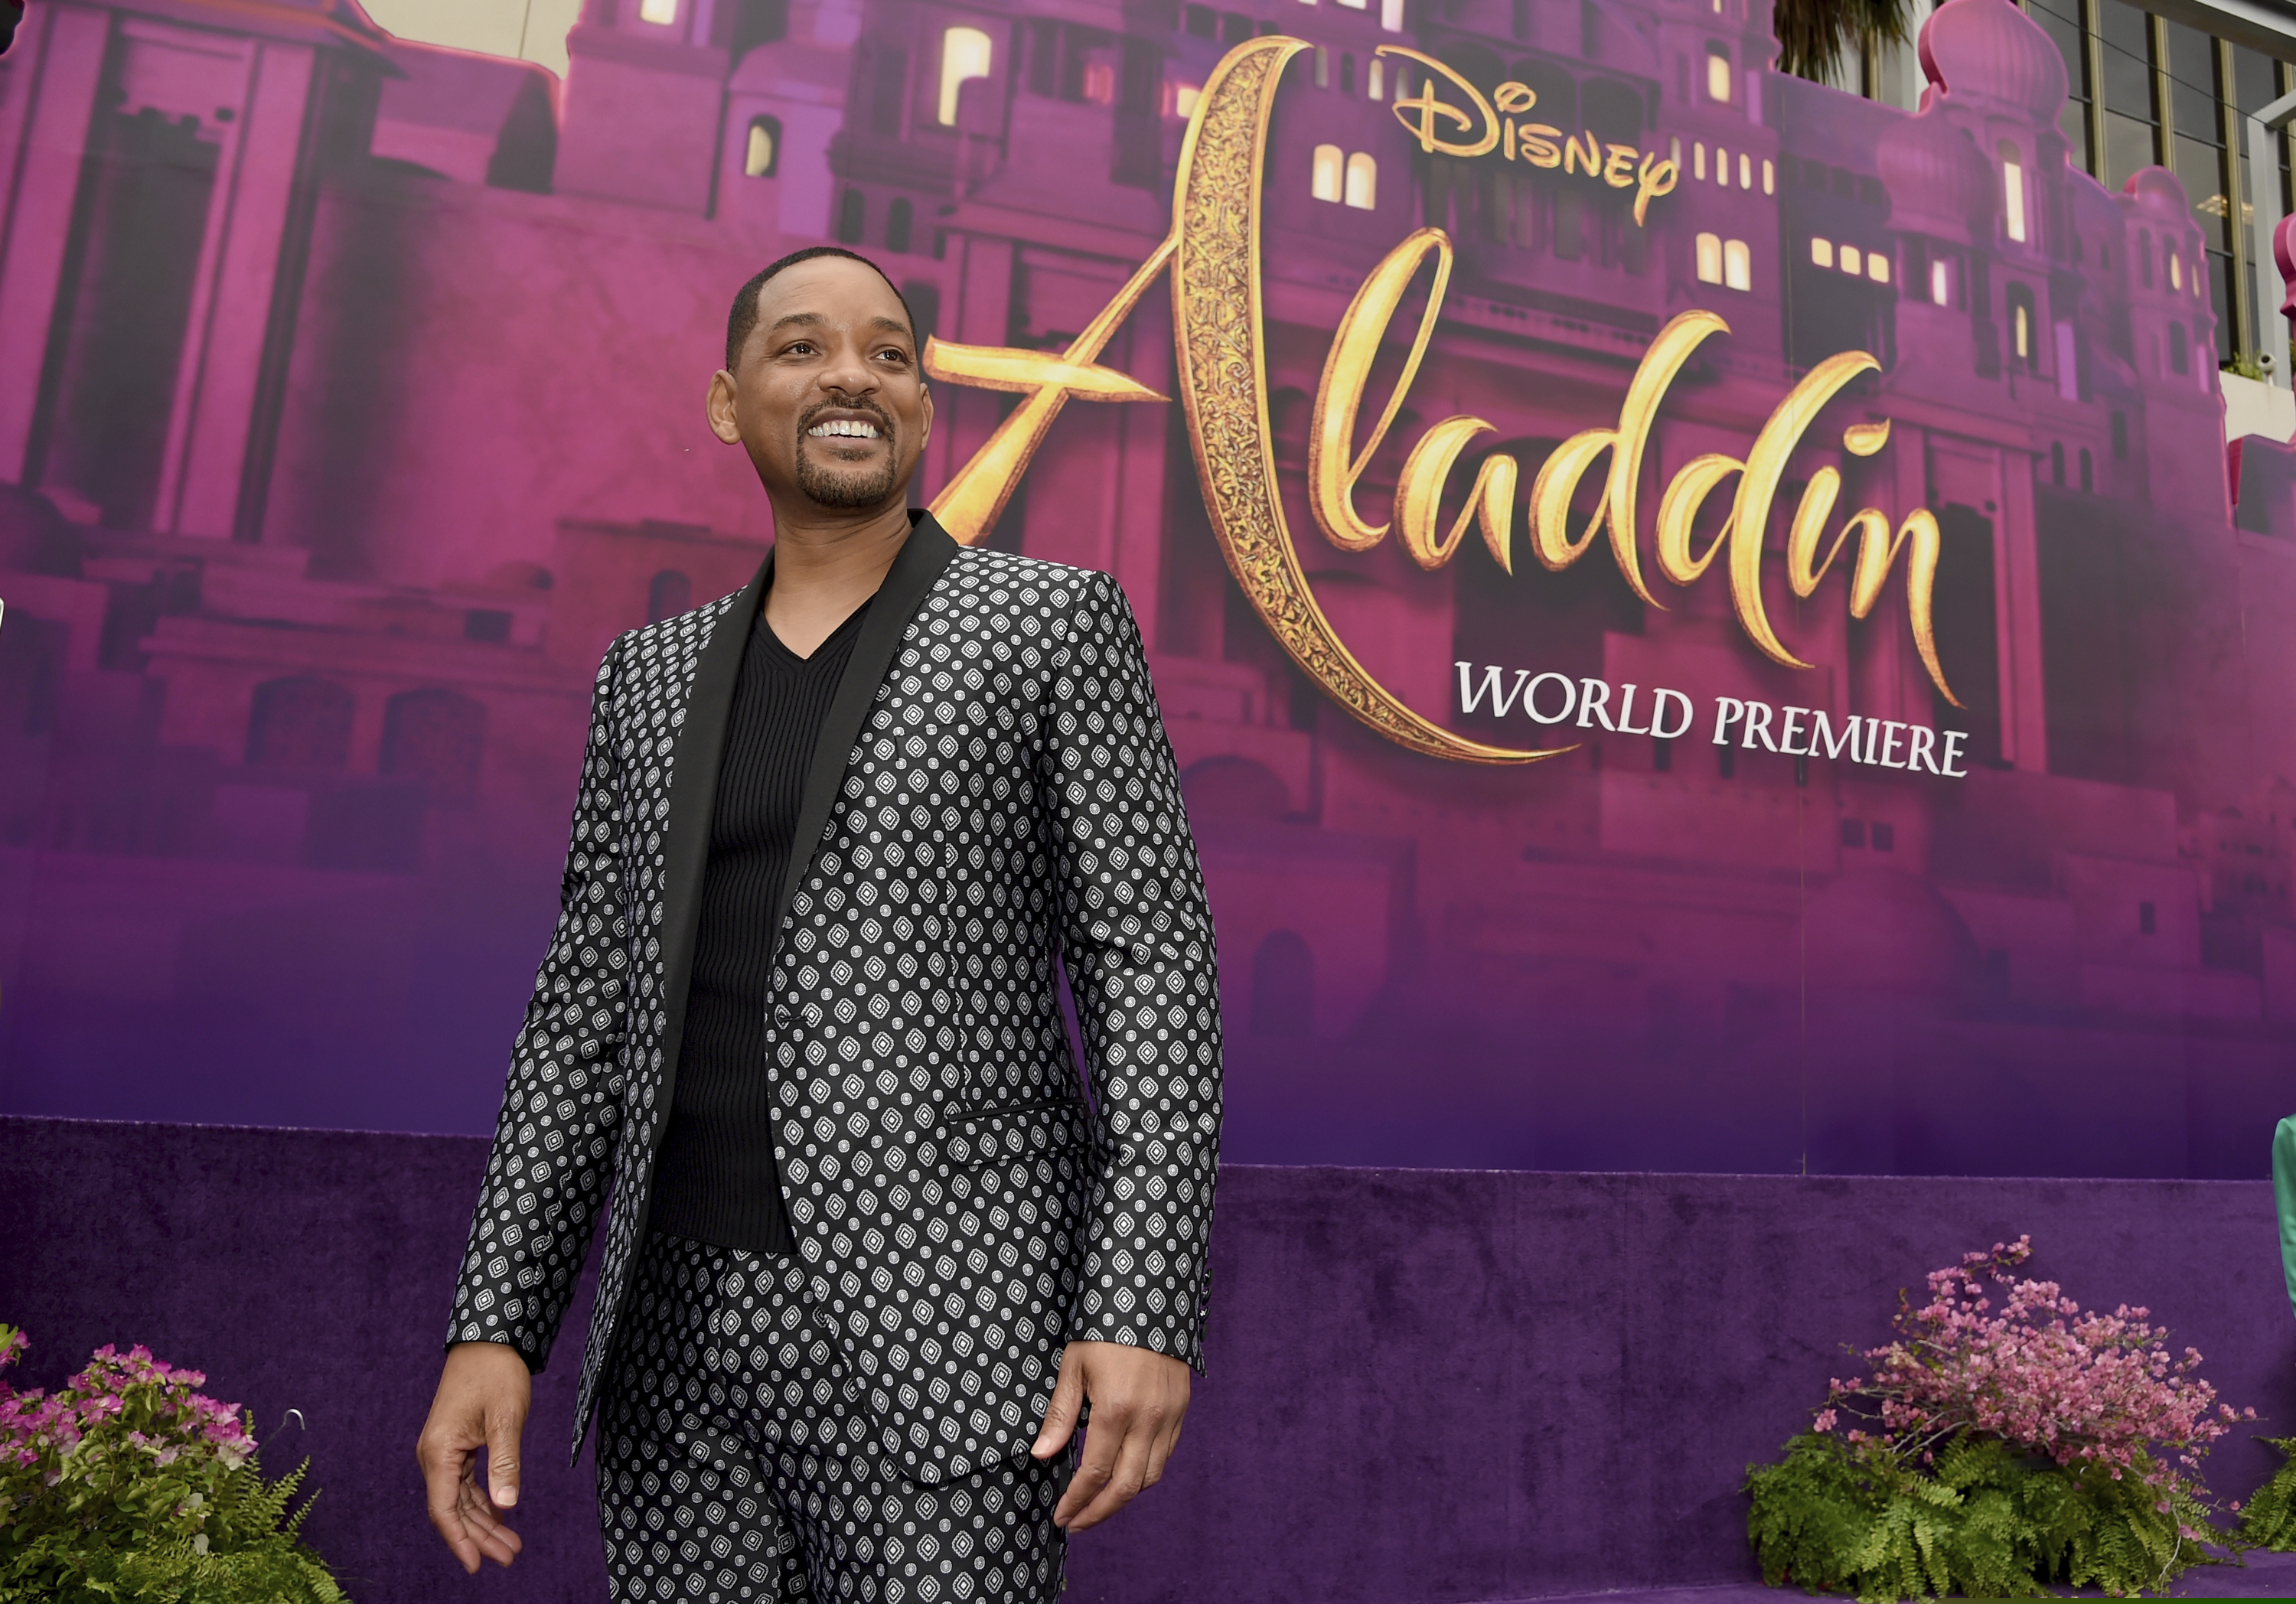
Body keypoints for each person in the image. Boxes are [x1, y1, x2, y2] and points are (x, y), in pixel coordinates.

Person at [416, 246, 1222, 1602]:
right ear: (729, 402)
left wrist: (1139, 1305)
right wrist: (495, 1323)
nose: (852, 371)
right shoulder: (648, 675)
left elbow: (1153, 973)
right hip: (671, 1348)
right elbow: (581, 1017)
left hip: (953, 1339)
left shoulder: (1050, 625)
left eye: (891, 354)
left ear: (921, 408)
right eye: (801, 347)